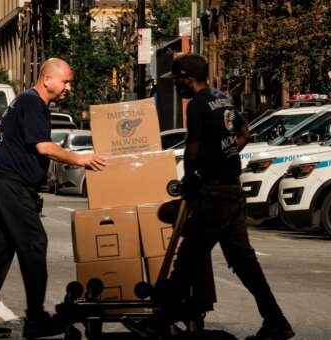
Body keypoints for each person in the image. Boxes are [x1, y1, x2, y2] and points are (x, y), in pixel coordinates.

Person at [124, 53, 295, 340]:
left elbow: (192, 150)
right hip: (232, 188)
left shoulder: (198, 105)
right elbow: (244, 133)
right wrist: (225, 156)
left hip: (213, 194)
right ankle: (276, 321)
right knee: (243, 262)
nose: (176, 84)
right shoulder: (223, 98)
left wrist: (193, 177)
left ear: (187, 78)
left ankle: (158, 322)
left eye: (177, 79)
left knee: (188, 258)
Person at [0, 58, 106, 339]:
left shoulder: (28, 101)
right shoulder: (33, 102)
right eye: (65, 81)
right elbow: (44, 147)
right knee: (35, 244)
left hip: (2, 183)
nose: (69, 88)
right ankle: (36, 319)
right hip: (11, 186)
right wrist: (81, 159)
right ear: (47, 79)